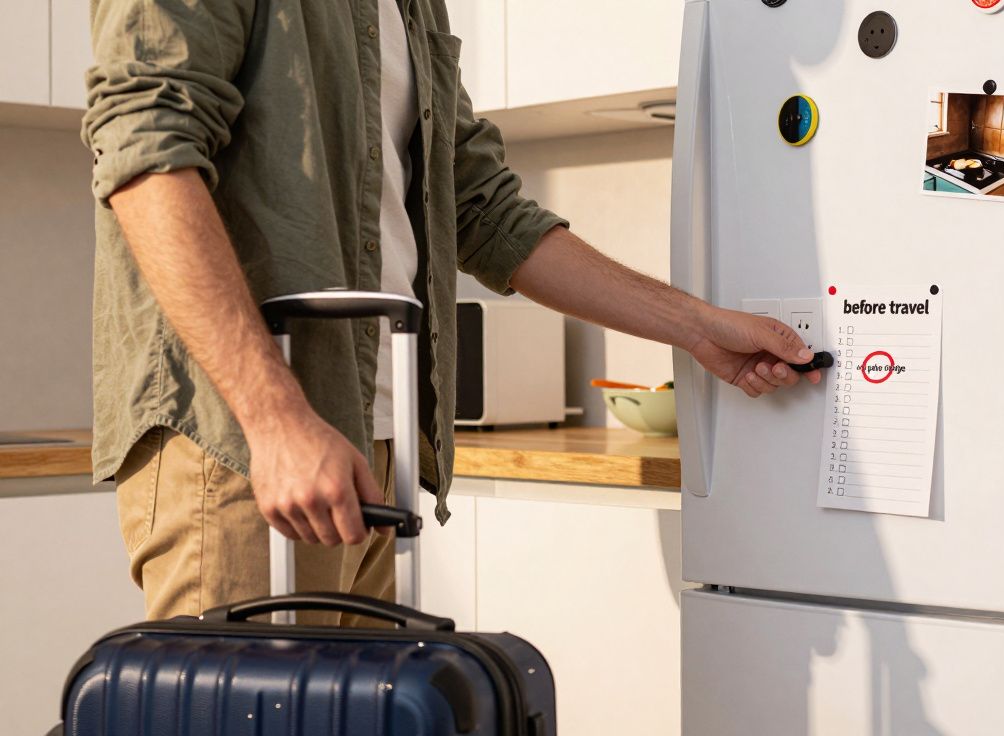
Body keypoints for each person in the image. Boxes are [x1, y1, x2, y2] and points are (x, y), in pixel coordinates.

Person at [84, 0, 821, 623]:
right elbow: (145, 156)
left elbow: (480, 205)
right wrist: (275, 419)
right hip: (245, 444)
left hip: (371, 444)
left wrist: (699, 328)